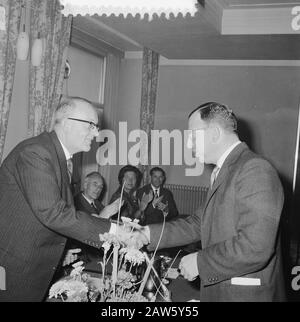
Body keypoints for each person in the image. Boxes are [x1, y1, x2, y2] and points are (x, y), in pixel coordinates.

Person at [138, 102, 285, 302]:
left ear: (215, 132)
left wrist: (200, 262)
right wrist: (146, 234)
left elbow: (255, 247)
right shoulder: (226, 170)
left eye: (192, 135)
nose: (189, 144)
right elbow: (199, 223)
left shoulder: (254, 169)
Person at [0, 96, 134, 302]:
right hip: (14, 266)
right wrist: (113, 230)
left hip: (33, 263)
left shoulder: (58, 157)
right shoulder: (35, 153)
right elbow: (54, 213)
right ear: (68, 123)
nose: (97, 133)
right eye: (91, 125)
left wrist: (61, 248)